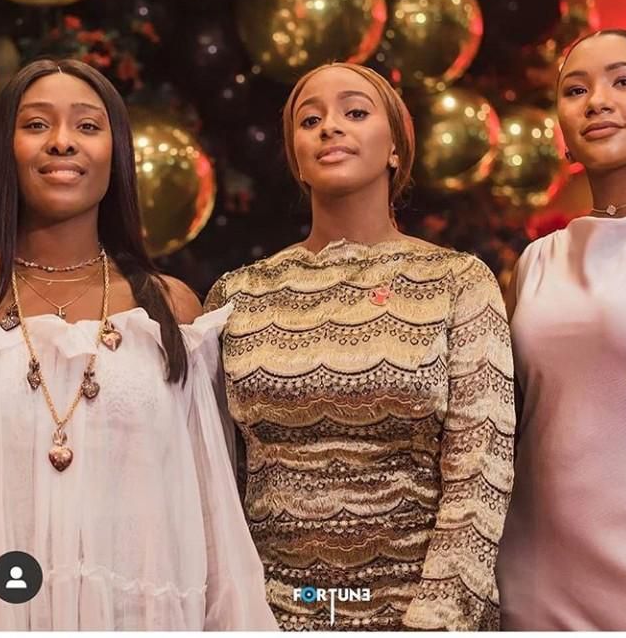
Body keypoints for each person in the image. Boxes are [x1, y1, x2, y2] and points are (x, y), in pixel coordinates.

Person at [0, 59, 277, 631]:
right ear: (4, 148)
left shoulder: (169, 308)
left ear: (117, 153)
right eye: (36, 124)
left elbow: (211, 514)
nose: (62, 141)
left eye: (87, 125)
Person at [203, 62, 515, 630]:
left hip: (419, 614)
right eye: (310, 120)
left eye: (354, 112)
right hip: (265, 615)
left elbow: (481, 470)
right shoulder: (238, 294)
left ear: (395, 147)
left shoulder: (458, 281)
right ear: (296, 157)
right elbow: (216, 479)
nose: (330, 127)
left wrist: (436, 621)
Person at [496, 29, 626, 630]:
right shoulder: (537, 260)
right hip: (533, 583)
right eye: (575, 90)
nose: (597, 101)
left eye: (624, 81)